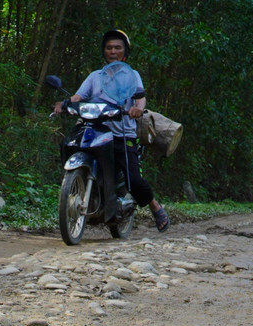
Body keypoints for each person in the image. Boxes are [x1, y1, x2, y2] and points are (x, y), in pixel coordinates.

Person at [53, 29, 169, 232]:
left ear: (125, 52)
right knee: (69, 145)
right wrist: (64, 103)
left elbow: (140, 97)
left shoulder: (132, 76)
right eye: (109, 48)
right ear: (103, 51)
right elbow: (78, 97)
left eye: (117, 47)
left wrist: (137, 109)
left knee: (134, 179)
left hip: (121, 134)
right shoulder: (95, 76)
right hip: (94, 129)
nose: (112, 51)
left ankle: (155, 207)